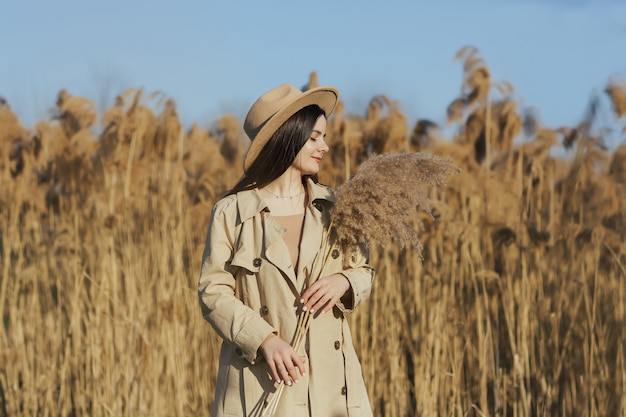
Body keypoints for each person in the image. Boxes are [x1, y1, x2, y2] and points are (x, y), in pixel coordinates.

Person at [198, 83, 375, 417]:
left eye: (323, 136)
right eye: (314, 138)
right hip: (261, 388)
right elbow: (212, 292)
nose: (325, 145)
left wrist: (346, 283)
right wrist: (263, 339)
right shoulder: (232, 212)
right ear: (287, 138)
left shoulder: (336, 208)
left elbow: (364, 270)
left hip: (333, 390)